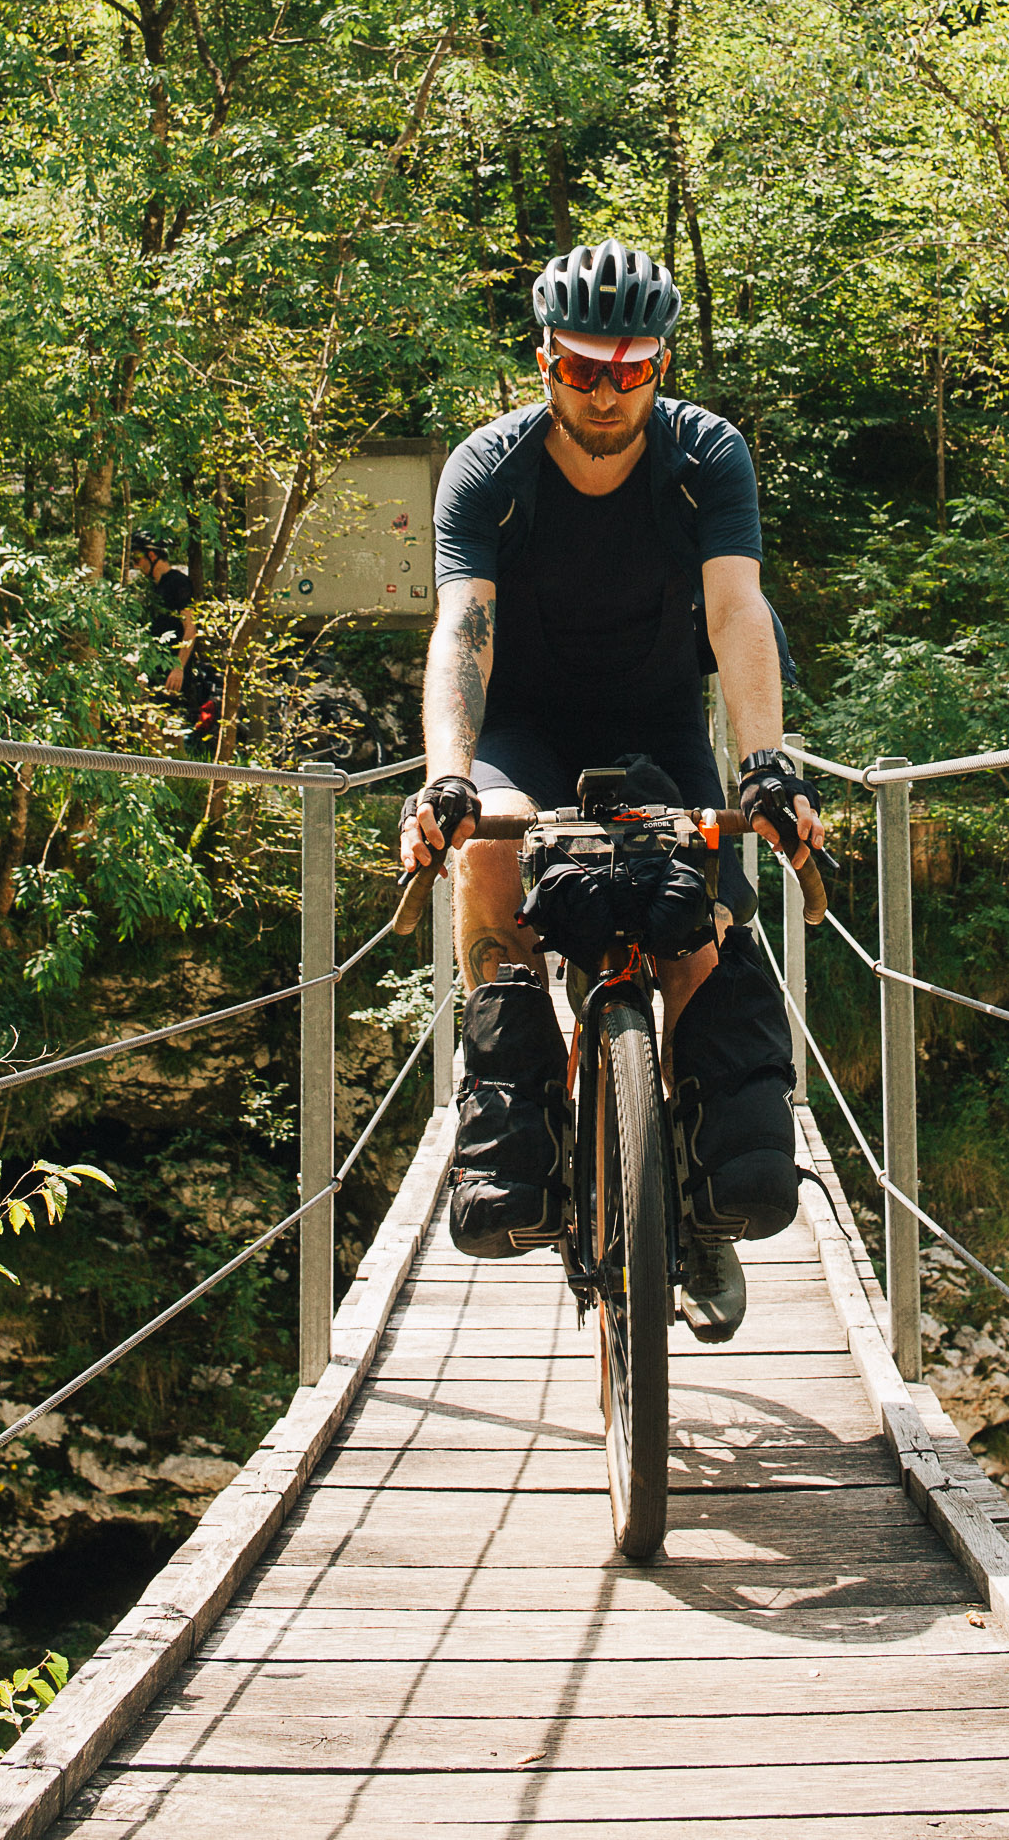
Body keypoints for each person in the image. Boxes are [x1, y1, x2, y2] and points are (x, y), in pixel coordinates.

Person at [399, 240, 825, 1344]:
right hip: (523, 731)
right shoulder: (489, 469)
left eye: (629, 370)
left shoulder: (704, 455)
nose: (604, 391)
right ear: (544, 359)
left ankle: (692, 1191)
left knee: (695, 935)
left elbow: (738, 609)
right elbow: (462, 628)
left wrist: (764, 762)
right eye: (582, 367)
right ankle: (521, 1119)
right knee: (487, 860)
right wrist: (447, 775)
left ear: (660, 365)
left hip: (657, 727)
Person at [126, 533, 219, 741]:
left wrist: (178, 667)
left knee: (170, 728)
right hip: (155, 669)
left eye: (137, 557)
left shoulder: (178, 583)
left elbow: (190, 628)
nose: (136, 564)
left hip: (173, 672)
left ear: (152, 555)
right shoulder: (153, 588)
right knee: (152, 730)